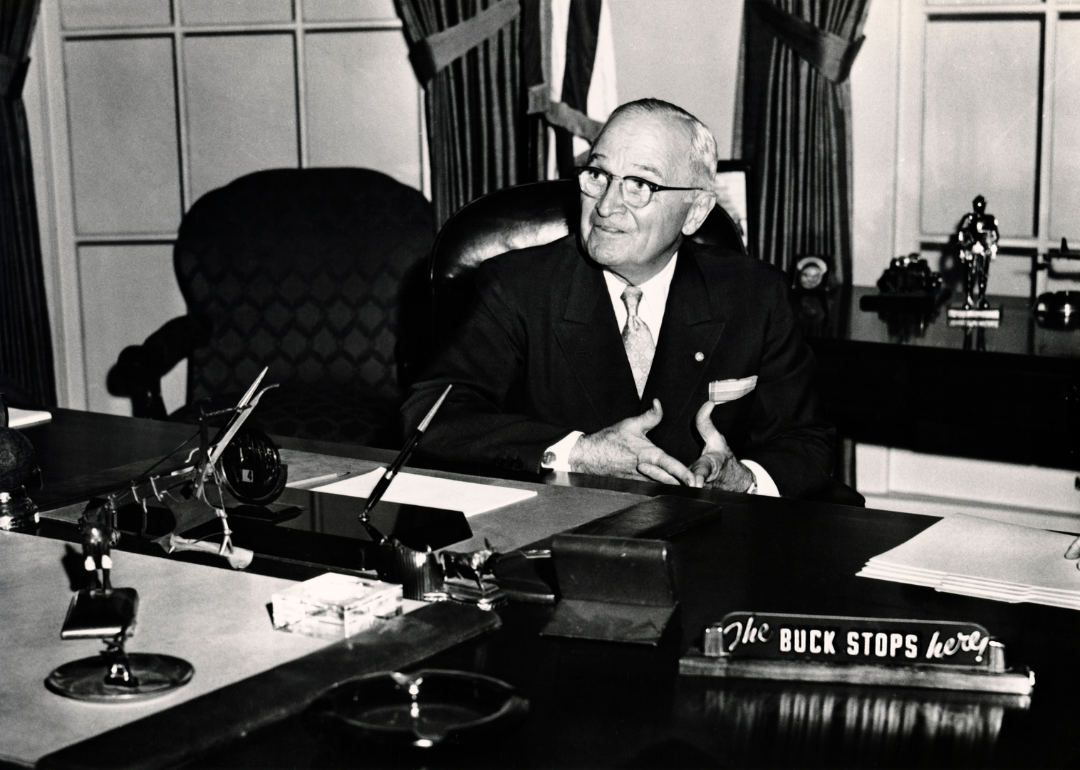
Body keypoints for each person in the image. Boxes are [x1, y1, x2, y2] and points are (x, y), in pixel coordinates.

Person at [402, 99, 833, 498]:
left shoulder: (756, 294)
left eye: (640, 185)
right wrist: (578, 453)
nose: (607, 205)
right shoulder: (516, 286)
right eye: (598, 175)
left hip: (707, 543)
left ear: (696, 210)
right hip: (560, 535)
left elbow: (805, 442)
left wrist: (744, 480)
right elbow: (428, 417)